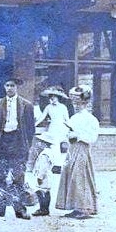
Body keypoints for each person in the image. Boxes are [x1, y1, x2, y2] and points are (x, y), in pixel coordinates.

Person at [0, 78, 36, 219]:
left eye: (12, 86)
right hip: (1, 143)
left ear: (17, 87)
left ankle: (20, 209)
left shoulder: (26, 105)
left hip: (18, 143)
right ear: (4, 86)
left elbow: (30, 128)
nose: (9, 88)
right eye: (7, 85)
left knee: (18, 177)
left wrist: (26, 146)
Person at [56, 85, 99, 219]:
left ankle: (85, 207)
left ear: (85, 103)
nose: (77, 106)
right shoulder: (73, 118)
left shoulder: (91, 119)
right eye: (75, 103)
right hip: (72, 149)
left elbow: (93, 138)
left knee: (81, 176)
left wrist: (79, 135)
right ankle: (75, 206)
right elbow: (67, 133)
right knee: (70, 176)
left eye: (80, 103)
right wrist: (69, 135)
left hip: (82, 150)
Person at [36, 86, 70, 169]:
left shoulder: (63, 107)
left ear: (58, 98)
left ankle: (58, 164)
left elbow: (67, 119)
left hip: (61, 127)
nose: (52, 99)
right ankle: (56, 164)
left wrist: (69, 128)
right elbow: (42, 117)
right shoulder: (48, 107)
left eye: (54, 97)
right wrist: (35, 124)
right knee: (54, 145)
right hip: (53, 127)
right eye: (51, 97)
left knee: (58, 144)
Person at [31, 133, 55, 216]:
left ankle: (43, 208)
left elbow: (43, 167)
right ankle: (45, 208)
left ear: (44, 144)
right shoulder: (49, 152)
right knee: (46, 192)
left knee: (40, 192)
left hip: (44, 176)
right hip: (48, 175)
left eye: (40, 142)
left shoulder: (44, 154)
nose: (38, 144)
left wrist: (40, 177)